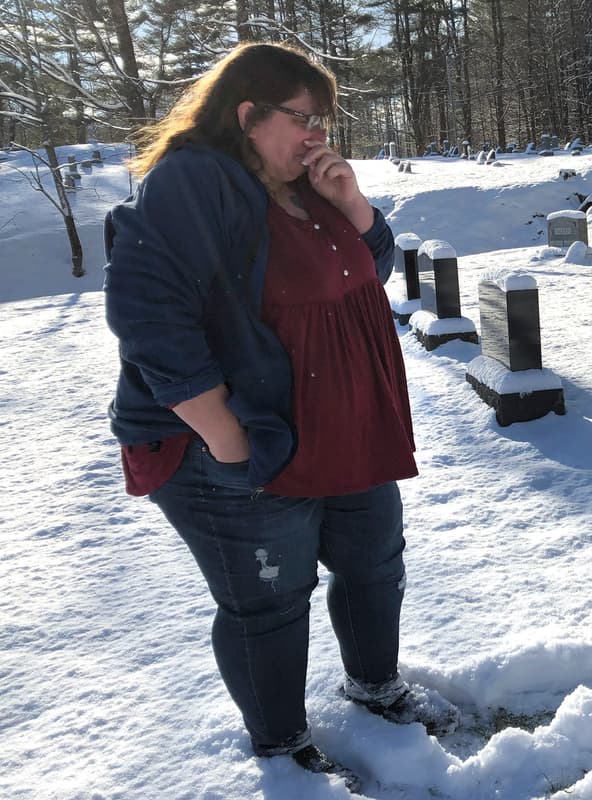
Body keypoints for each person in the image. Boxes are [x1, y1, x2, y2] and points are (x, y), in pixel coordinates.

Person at [103, 42, 457, 791]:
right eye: (303, 119)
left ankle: (375, 687)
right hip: (240, 442)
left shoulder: (307, 184)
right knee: (267, 602)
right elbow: (149, 318)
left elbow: (371, 267)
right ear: (248, 113)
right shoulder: (194, 183)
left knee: (373, 562)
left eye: (323, 121)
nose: (317, 136)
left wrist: (355, 204)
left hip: (342, 426)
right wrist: (226, 436)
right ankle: (282, 746)